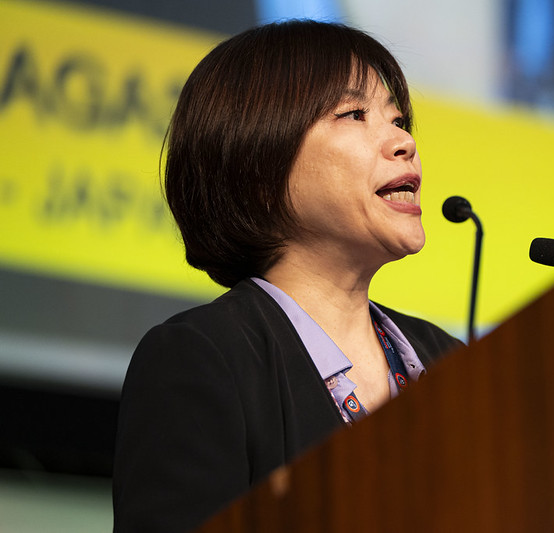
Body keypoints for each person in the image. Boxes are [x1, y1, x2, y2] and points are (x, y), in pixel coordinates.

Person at [112, 19, 463, 533]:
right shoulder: (203, 360)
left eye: (399, 119)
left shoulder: (451, 361)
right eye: (355, 114)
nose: (402, 142)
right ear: (258, 170)